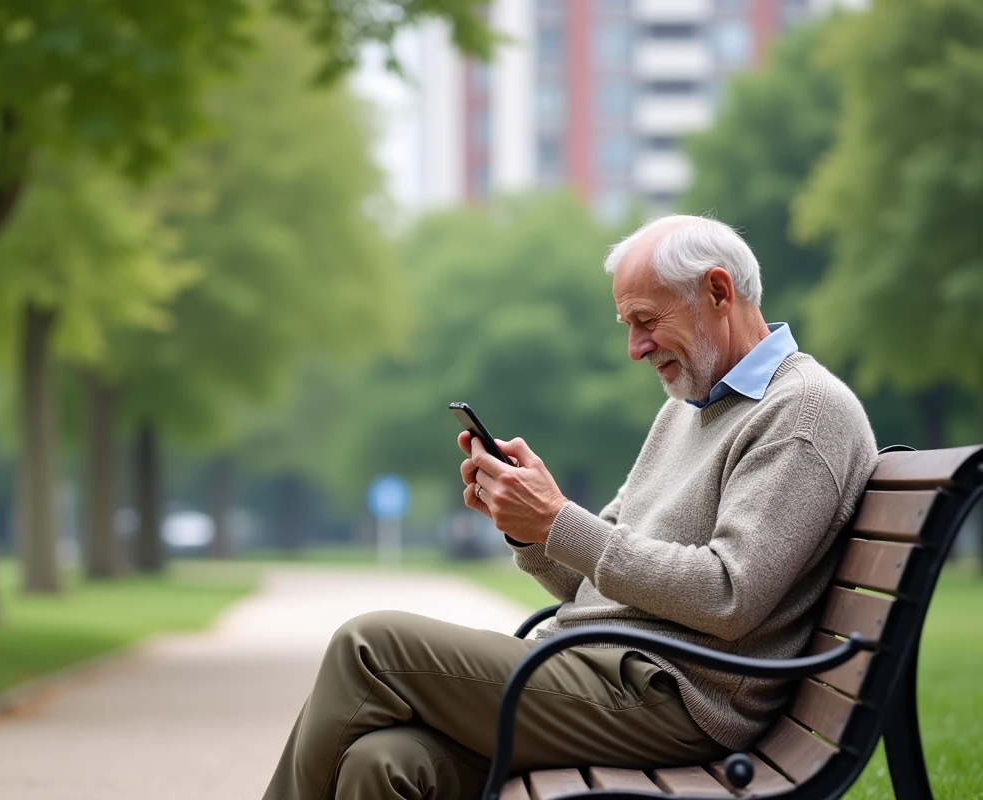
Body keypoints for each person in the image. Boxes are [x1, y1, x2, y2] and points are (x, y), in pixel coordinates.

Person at [263, 215, 877, 800]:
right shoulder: (686, 410)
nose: (635, 348)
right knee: (386, 765)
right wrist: (530, 530)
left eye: (645, 320)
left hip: (673, 697)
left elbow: (728, 595)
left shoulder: (802, 413)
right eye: (626, 325)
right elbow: (594, 579)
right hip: (599, 670)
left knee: (368, 646)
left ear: (718, 291)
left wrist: (560, 521)